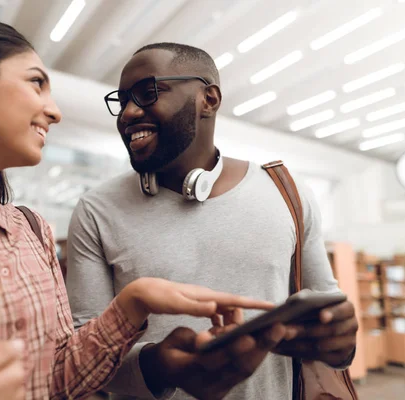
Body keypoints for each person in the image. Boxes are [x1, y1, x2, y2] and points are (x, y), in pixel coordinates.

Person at [0, 20, 285, 400]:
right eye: (36, 83)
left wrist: (132, 303)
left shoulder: (31, 231)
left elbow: (57, 379)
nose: (54, 111)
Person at [66, 42, 359, 399]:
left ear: (209, 99)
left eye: (147, 93)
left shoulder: (287, 191)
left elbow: (332, 330)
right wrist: (158, 366)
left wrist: (339, 342)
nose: (127, 113)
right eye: (123, 99)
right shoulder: (96, 209)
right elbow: (84, 360)